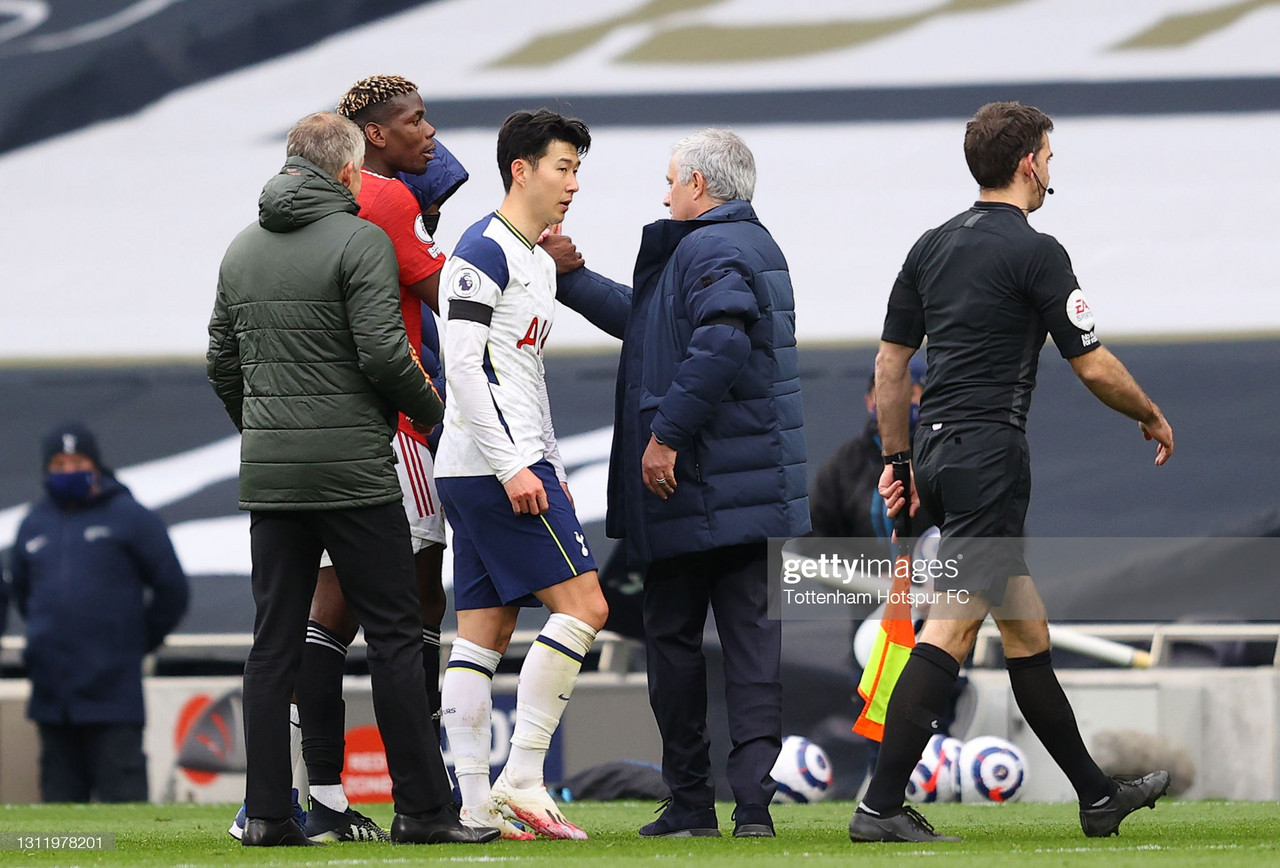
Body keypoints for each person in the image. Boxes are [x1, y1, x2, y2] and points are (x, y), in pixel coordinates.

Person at [848, 101, 1175, 844]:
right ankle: (879, 807)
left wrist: (899, 462)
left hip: (935, 451)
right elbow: (1091, 363)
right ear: (1029, 163)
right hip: (989, 454)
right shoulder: (1038, 251)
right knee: (954, 630)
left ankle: (1097, 797)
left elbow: (890, 366)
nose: (1051, 168)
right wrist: (1148, 412)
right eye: (1050, 157)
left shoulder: (929, 245)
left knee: (1025, 631)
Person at [207, 110, 496, 847]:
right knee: (399, 635)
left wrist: (265, 428)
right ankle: (424, 810)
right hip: (354, 471)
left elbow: (221, 363)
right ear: (346, 174)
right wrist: (437, 414)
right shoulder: (361, 238)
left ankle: (271, 815)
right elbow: (384, 354)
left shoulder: (240, 250)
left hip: (271, 475)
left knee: (273, 643)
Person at [547, 128, 810, 838]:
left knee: (673, 646)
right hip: (750, 492)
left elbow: (720, 341)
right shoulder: (747, 244)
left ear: (699, 185)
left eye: (671, 181)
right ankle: (752, 808)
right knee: (754, 653)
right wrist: (572, 280)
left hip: (690, 488)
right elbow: (653, 325)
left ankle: (693, 803)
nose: (664, 194)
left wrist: (665, 437)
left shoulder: (710, 246)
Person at [272, 73, 468, 845]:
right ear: (373, 139)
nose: (430, 133)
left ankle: (318, 793)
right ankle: (425, 789)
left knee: (327, 615)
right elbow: (447, 288)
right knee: (412, 606)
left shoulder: (309, 213)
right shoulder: (384, 202)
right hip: (396, 428)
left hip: (307, 432)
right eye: (416, 121)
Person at [435, 108, 607, 841]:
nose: (572, 184)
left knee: (482, 635)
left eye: (577, 170)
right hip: (493, 467)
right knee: (586, 607)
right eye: (563, 168)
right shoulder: (481, 250)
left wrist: (555, 464)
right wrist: (515, 467)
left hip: (491, 466)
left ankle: (474, 804)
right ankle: (526, 777)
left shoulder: (537, 256)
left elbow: (524, 372)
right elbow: (463, 369)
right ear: (521, 170)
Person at [8, 422, 189, 803]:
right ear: (46, 470)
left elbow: (172, 590)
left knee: (124, 817)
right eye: (58, 463)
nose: (68, 470)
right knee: (59, 821)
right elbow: (23, 595)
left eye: (77, 461)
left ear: (95, 464)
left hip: (113, 695)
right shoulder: (32, 524)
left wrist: (135, 640)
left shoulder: (131, 517)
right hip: (52, 698)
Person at [810, 359, 928, 540]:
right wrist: (860, 567)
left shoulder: (939, 457)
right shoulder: (842, 466)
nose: (898, 400)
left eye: (910, 392)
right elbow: (815, 537)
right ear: (869, 401)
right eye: (887, 392)